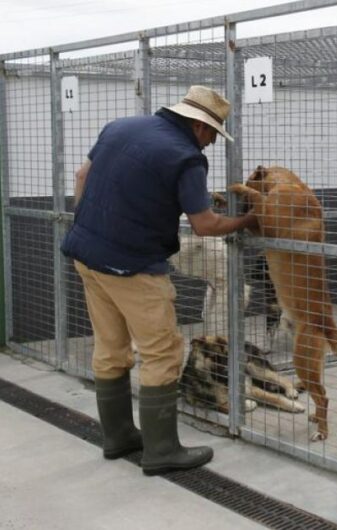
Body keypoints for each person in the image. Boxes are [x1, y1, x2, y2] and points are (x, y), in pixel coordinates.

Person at [61, 85, 258, 475]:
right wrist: (248, 221)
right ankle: (162, 450)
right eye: (215, 136)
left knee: (111, 347)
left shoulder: (119, 127)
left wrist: (95, 224)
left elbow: (82, 176)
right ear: (201, 127)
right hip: (133, 266)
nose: (212, 145)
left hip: (86, 255)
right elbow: (205, 225)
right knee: (163, 352)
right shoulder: (186, 157)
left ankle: (118, 437)